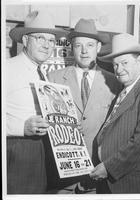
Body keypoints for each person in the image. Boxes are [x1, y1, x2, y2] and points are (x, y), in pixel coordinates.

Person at [47, 18, 122, 194]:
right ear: (72, 48)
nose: (84, 51)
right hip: (63, 178)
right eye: (78, 45)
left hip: (99, 178)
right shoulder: (54, 78)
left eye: (89, 45)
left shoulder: (114, 81)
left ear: (98, 48)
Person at [6, 10, 67, 194]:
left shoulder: (44, 76)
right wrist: (21, 127)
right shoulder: (7, 69)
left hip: (42, 154)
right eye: (40, 38)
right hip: (17, 152)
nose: (47, 45)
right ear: (25, 40)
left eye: (50, 40)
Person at [90, 33, 140, 193]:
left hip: (133, 183)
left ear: (139, 60)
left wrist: (109, 167)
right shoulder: (124, 91)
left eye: (124, 63)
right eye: (115, 65)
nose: (119, 70)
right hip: (112, 181)